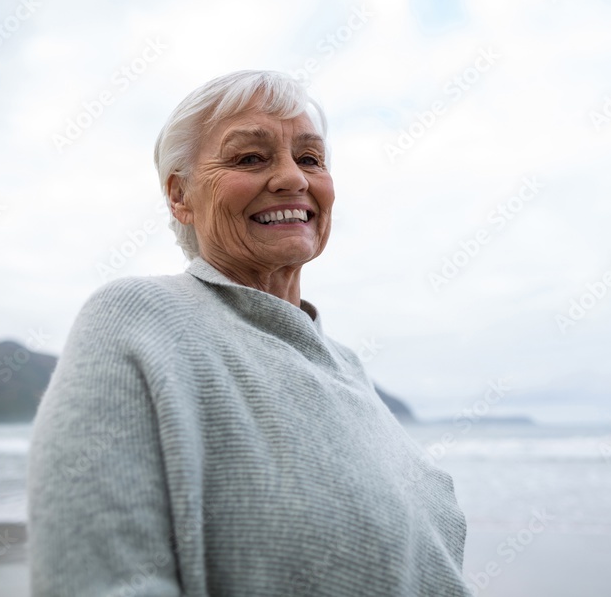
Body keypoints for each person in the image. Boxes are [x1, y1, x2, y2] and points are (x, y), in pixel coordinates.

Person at [27, 70, 472, 596]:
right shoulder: (138, 317)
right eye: (250, 158)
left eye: (310, 158)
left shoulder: (345, 364)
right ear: (179, 196)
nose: (293, 179)